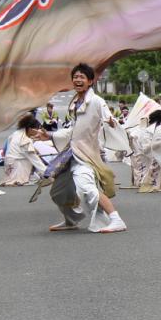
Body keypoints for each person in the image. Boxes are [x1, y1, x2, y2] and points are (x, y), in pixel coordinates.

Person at [32, 63, 126, 233]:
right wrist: (49, 135)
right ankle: (71, 220)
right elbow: (72, 130)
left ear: (90, 81)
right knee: (58, 191)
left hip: (86, 155)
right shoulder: (74, 102)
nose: (78, 80)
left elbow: (109, 119)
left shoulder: (96, 101)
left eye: (82, 77)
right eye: (75, 77)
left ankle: (116, 219)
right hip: (71, 154)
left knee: (87, 187)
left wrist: (111, 123)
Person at [0, 114, 49, 186]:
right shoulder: (25, 141)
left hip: (8, 165)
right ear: (30, 129)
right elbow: (35, 160)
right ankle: (29, 177)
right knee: (34, 165)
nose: (37, 132)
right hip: (17, 166)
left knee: (32, 158)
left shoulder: (16, 133)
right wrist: (47, 174)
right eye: (37, 129)